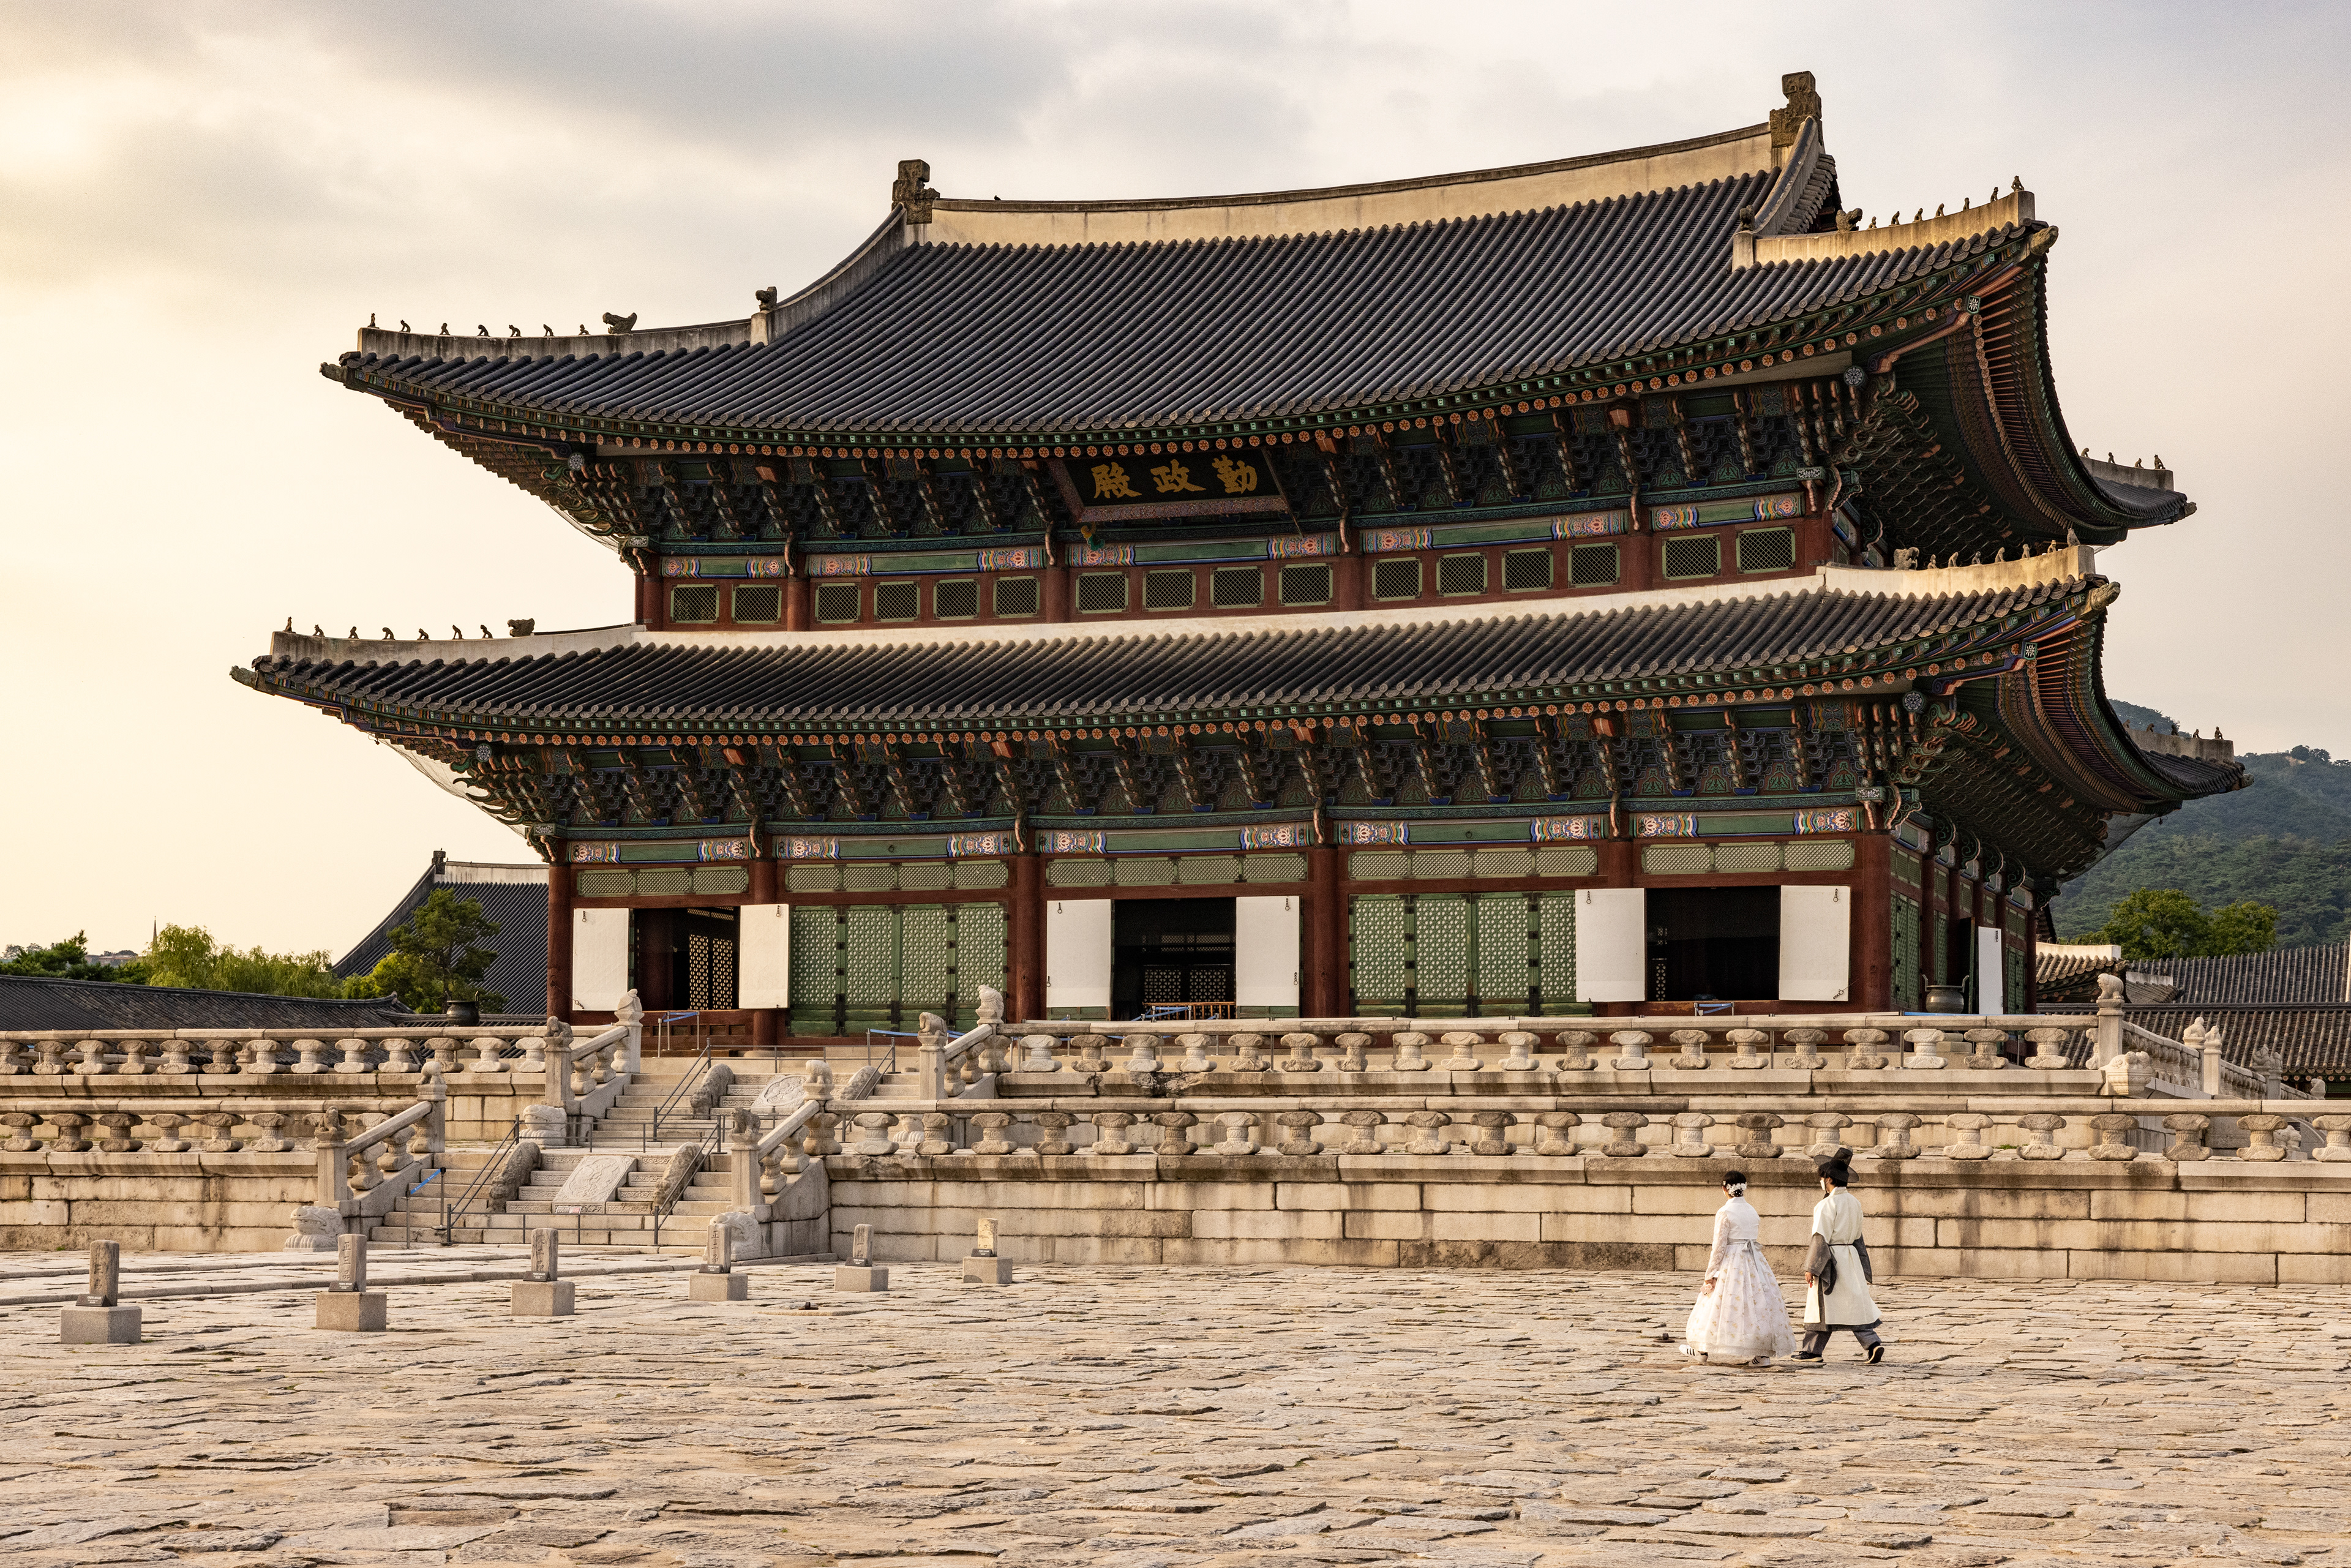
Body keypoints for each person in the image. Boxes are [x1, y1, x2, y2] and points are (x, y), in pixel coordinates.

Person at [1680, 1171, 1795, 1367]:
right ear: (1744, 1187)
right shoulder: (1752, 1211)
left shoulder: (1725, 1212)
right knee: (1757, 1304)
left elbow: (1719, 1247)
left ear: (1725, 1189)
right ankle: (1762, 1354)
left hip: (1732, 1261)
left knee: (1717, 1304)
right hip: (1754, 1261)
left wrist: (1711, 1275)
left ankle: (1702, 1350)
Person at [1795, 1155, 1884, 1364]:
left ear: (1828, 1179)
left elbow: (1820, 1238)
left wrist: (1812, 1267)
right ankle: (1873, 1344)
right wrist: (1864, 1267)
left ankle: (1812, 1351)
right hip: (1851, 1257)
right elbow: (1859, 1238)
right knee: (1854, 1304)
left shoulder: (1827, 1204)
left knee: (1822, 1305)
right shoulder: (1855, 1203)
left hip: (1831, 1258)